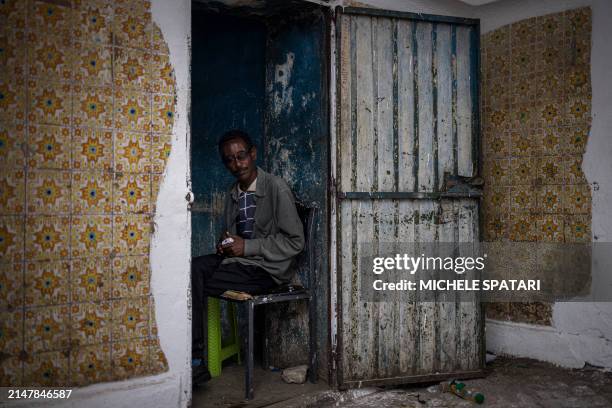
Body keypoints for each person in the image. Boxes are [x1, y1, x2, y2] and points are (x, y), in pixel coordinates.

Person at [191, 129, 305, 384]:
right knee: (191, 269)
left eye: (241, 156)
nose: (236, 164)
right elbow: (235, 237)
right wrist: (227, 244)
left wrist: (248, 247)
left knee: (192, 282)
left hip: (267, 270)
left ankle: (195, 361)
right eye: (229, 160)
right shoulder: (234, 192)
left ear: (253, 154)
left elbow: (295, 241)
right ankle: (195, 361)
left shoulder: (275, 187)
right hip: (239, 263)